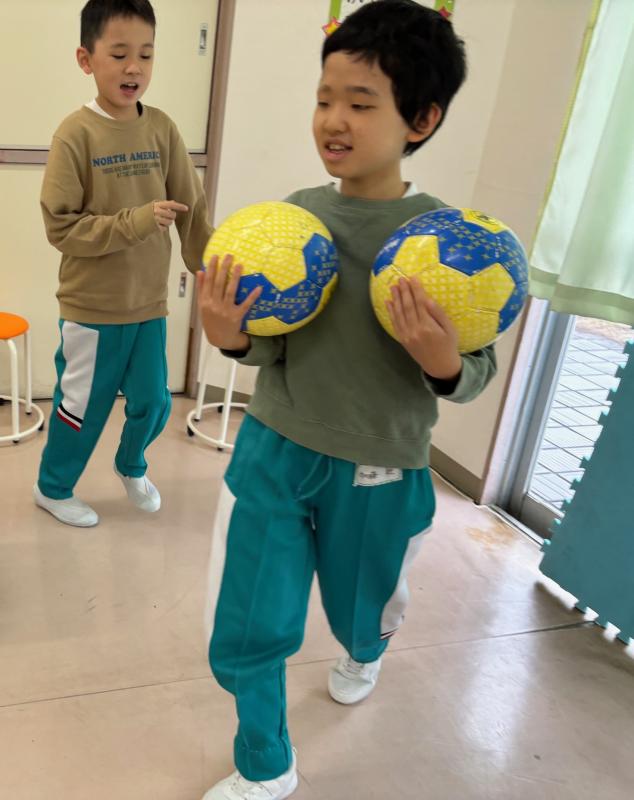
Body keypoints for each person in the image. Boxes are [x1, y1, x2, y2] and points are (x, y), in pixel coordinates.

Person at [197, 2, 497, 797]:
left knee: (362, 609)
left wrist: (442, 362)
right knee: (249, 620)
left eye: (361, 104)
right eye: (325, 98)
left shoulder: (453, 239)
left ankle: (367, 649)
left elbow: (477, 367)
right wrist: (231, 338)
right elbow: (272, 345)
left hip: (381, 467)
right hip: (274, 445)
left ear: (422, 119)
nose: (333, 120)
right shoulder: (291, 219)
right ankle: (266, 762)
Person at [34, 0, 212, 527]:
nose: (134, 67)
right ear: (86, 60)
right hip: (92, 307)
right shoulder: (75, 134)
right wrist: (135, 222)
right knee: (80, 408)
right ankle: (53, 488)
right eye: (119, 54)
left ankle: (131, 464)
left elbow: (193, 205)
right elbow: (61, 228)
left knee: (155, 401)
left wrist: (209, 266)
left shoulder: (162, 129)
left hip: (148, 303)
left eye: (146, 55)